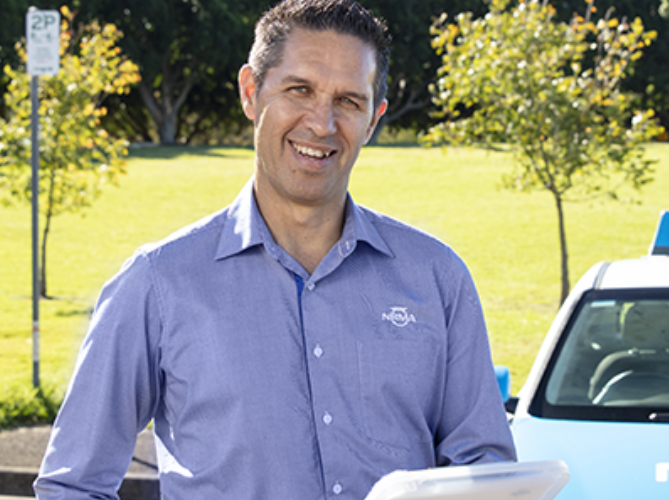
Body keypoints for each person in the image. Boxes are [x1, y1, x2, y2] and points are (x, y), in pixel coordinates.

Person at [34, 1, 517, 498]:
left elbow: (483, 468)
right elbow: (74, 485)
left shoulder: (437, 279)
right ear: (251, 91)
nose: (322, 123)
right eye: (299, 90)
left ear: (373, 118)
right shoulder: (158, 284)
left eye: (349, 101)